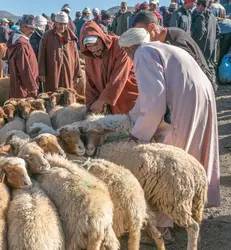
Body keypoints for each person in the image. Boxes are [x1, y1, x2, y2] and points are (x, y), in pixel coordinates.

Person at [118, 28, 220, 242]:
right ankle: (191, 208)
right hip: (201, 96)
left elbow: (154, 100)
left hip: (183, 103)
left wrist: (139, 133)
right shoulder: (163, 48)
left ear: (128, 49)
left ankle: (162, 226)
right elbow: (147, 96)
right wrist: (132, 115)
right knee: (194, 150)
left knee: (170, 160)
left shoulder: (143, 54)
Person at [133, 10, 217, 91]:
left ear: (152, 27)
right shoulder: (162, 41)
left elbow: (192, 70)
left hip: (201, 88)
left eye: (142, 32)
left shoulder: (175, 39)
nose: (141, 37)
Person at [80, 21, 138, 114]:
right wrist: (91, 104)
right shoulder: (90, 55)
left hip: (126, 95)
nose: (94, 49)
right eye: (90, 46)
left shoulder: (120, 45)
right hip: (106, 100)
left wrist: (102, 101)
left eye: (96, 44)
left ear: (101, 38)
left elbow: (119, 77)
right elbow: (90, 83)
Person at [38, 11, 81, 93]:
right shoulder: (47, 36)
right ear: (55, 23)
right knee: (52, 94)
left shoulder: (71, 37)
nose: (63, 26)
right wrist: (42, 72)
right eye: (60, 24)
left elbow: (76, 56)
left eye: (65, 24)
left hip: (68, 71)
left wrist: (77, 73)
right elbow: (42, 55)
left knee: (67, 94)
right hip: (52, 71)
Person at [7, 15, 39, 98]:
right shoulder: (22, 45)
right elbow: (24, 68)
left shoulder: (16, 41)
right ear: (22, 27)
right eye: (30, 28)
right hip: (24, 88)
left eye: (34, 28)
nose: (32, 31)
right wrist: (32, 87)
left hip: (18, 85)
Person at [192, 0, 220, 90]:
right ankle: (213, 88)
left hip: (202, 48)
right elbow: (218, 31)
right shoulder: (212, 16)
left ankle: (206, 89)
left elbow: (199, 33)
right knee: (210, 67)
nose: (196, 8)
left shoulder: (201, 16)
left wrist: (193, 42)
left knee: (202, 69)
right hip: (211, 47)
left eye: (196, 5)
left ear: (200, 5)